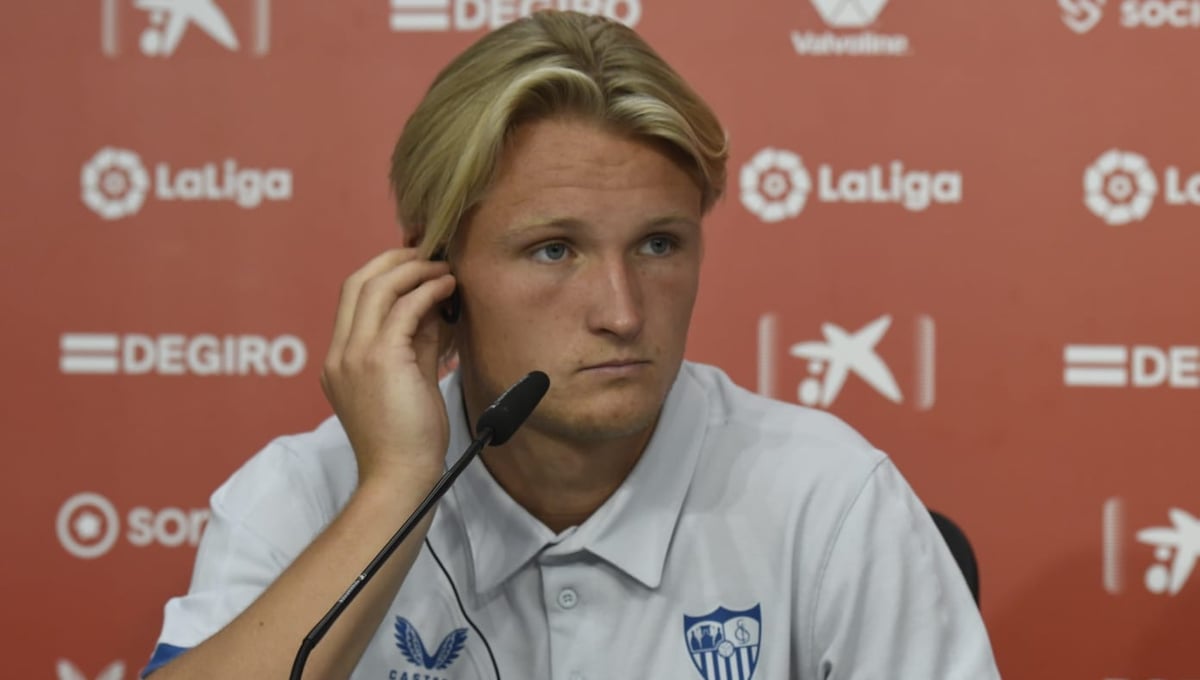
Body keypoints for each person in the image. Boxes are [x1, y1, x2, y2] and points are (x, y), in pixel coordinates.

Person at [142, 10, 1001, 679]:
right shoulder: (306, 494)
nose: (622, 313)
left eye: (659, 244)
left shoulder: (829, 496)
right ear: (435, 272)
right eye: (554, 251)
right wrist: (397, 487)